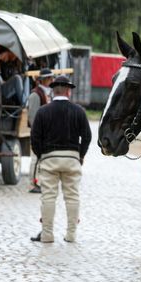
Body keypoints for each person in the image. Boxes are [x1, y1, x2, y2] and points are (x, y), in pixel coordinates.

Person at [30, 75, 92, 243]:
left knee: (48, 196)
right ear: (68, 92)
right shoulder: (79, 111)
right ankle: (71, 235)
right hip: (72, 158)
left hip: (49, 158)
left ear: (53, 91)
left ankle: (47, 234)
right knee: (72, 196)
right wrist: (81, 155)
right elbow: (87, 136)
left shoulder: (43, 111)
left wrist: (41, 155)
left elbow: (35, 137)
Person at [27, 68, 55, 193]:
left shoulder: (50, 93)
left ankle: (41, 182)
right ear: (44, 80)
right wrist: (38, 133)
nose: (52, 80)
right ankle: (32, 184)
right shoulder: (35, 94)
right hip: (38, 133)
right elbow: (32, 116)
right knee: (35, 159)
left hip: (48, 132)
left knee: (44, 159)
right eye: (50, 78)